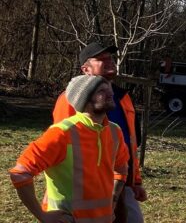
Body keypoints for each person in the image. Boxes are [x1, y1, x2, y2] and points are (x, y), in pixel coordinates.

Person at [10, 75, 129, 223]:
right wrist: (42, 215)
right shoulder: (62, 133)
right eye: (101, 91)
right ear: (84, 100)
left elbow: (121, 170)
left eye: (109, 88)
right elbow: (20, 173)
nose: (110, 93)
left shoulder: (114, 131)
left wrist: (113, 201)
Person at [53, 42, 147, 223]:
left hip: (121, 185)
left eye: (110, 58)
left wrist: (135, 182)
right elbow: (60, 146)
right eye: (101, 59)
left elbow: (131, 144)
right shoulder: (69, 100)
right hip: (85, 191)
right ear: (85, 69)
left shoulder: (124, 98)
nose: (109, 62)